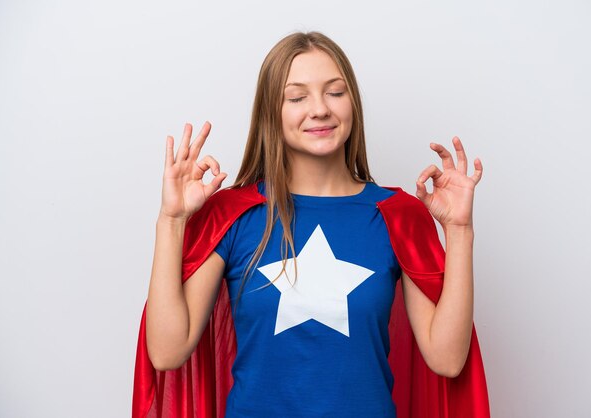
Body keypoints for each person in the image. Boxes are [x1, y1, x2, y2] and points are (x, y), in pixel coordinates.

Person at [133, 32, 490, 418]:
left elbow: (448, 359)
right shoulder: (234, 213)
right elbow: (167, 351)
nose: (319, 109)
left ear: (352, 101)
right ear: (272, 112)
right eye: (297, 97)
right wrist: (171, 221)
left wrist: (459, 231)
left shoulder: (398, 214)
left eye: (335, 92)